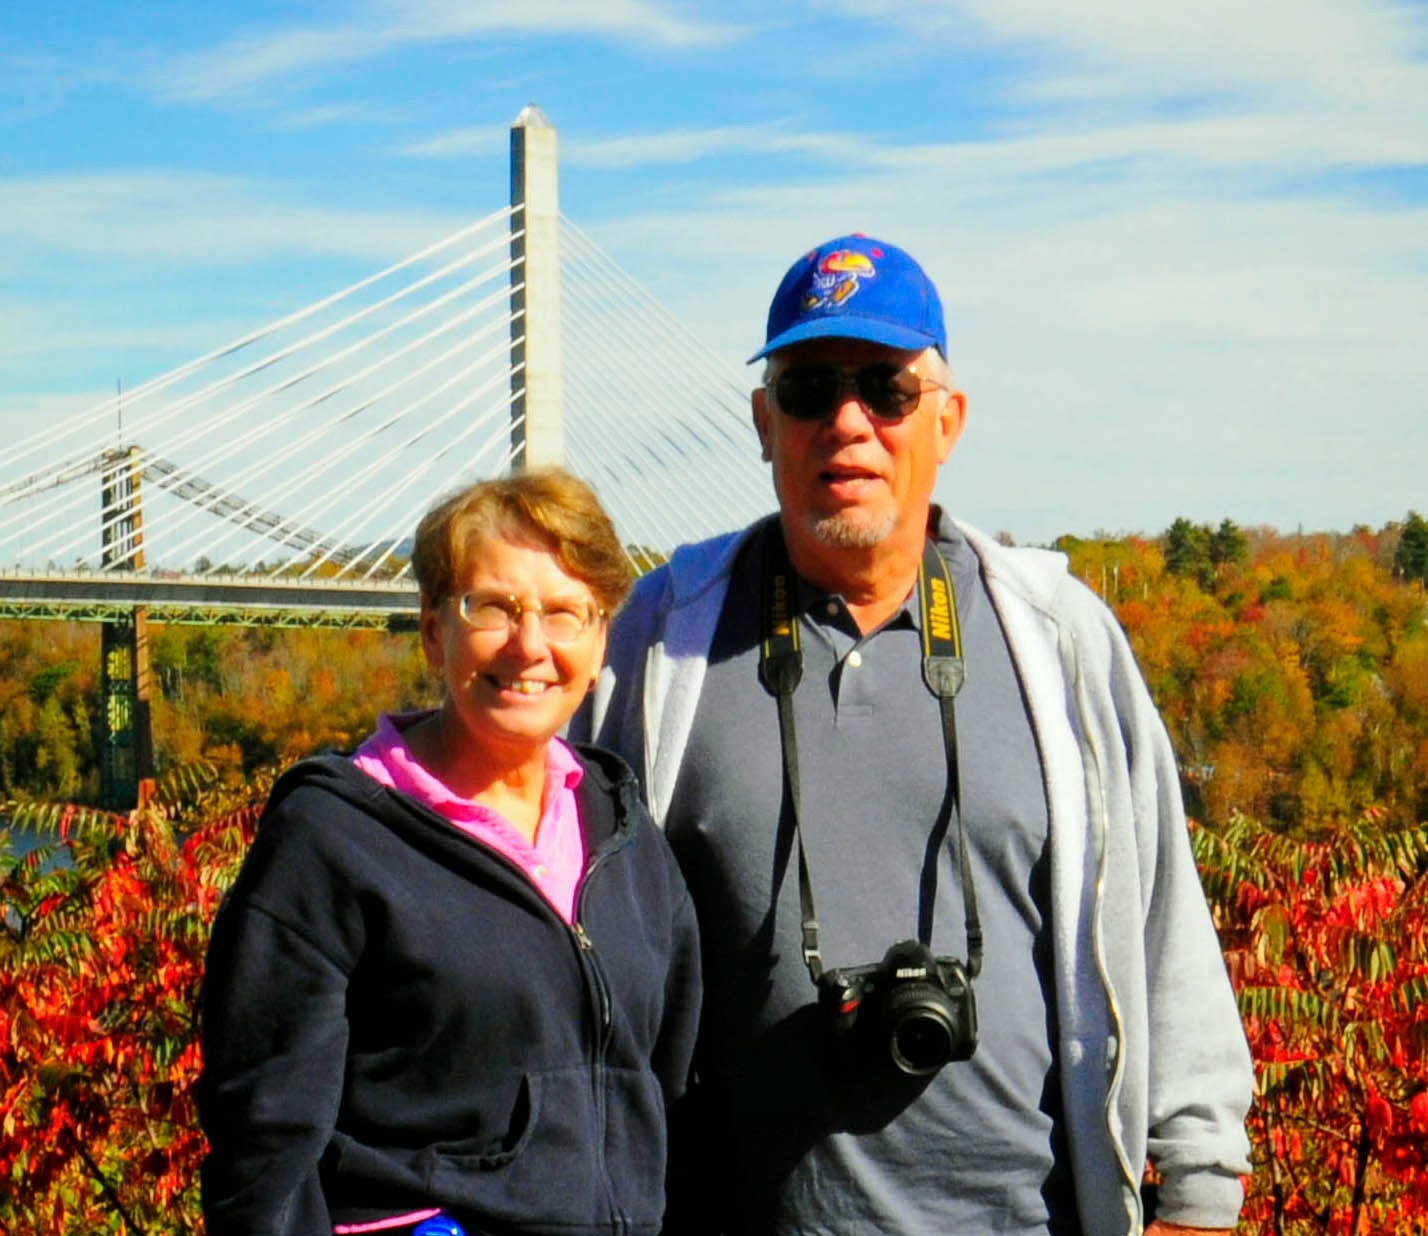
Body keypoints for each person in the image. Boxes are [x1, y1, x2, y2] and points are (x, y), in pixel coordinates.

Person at [575, 234, 1253, 1235]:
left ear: (949, 420)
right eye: (808, 389)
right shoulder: (665, 635)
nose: (847, 423)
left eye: (887, 390)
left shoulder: (1057, 639)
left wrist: (1198, 1190)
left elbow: (1159, 924)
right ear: (763, 422)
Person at [198, 470, 701, 1236]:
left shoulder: (623, 833)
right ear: (435, 631)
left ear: (601, 641)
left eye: (564, 613)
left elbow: (676, 1092)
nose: (530, 645)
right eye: (493, 607)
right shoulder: (333, 837)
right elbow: (263, 1151)